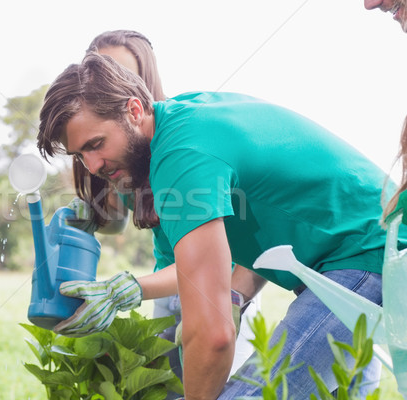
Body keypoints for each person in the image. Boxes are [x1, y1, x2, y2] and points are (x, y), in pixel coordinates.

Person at [37, 53, 403, 399]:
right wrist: (234, 295)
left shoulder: (184, 156)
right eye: (79, 155)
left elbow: (213, 334)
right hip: (354, 252)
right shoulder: (178, 123)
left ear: (134, 110)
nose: (92, 165)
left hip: (371, 250)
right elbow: (271, 218)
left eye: (96, 144)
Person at [64, 30, 259, 386]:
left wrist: (127, 288)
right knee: (166, 389)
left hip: (225, 288)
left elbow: (212, 263)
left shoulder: (181, 143)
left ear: (144, 81)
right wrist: (85, 218)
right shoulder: (117, 151)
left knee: (224, 389)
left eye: (119, 71)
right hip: (167, 289)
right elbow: (114, 220)